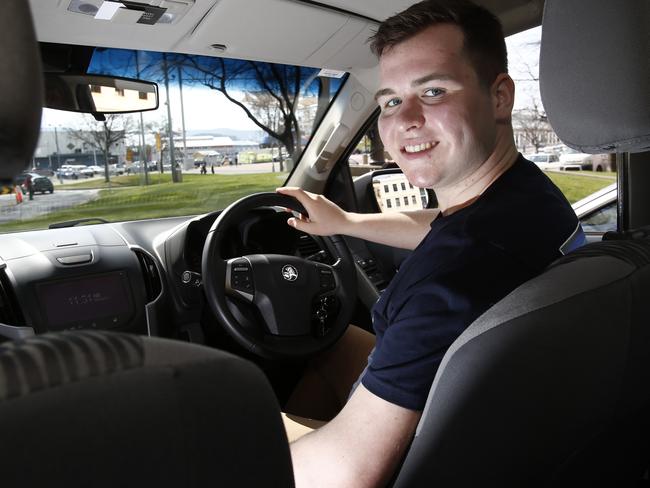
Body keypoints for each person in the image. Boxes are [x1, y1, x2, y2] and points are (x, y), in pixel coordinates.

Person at [277, 1, 585, 487]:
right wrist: (346, 220)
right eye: (391, 101)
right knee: (332, 347)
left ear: (500, 96)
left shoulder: (451, 282)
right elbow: (440, 224)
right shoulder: (523, 198)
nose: (404, 121)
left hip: (424, 452)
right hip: (498, 417)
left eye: (434, 91)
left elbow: (345, 474)